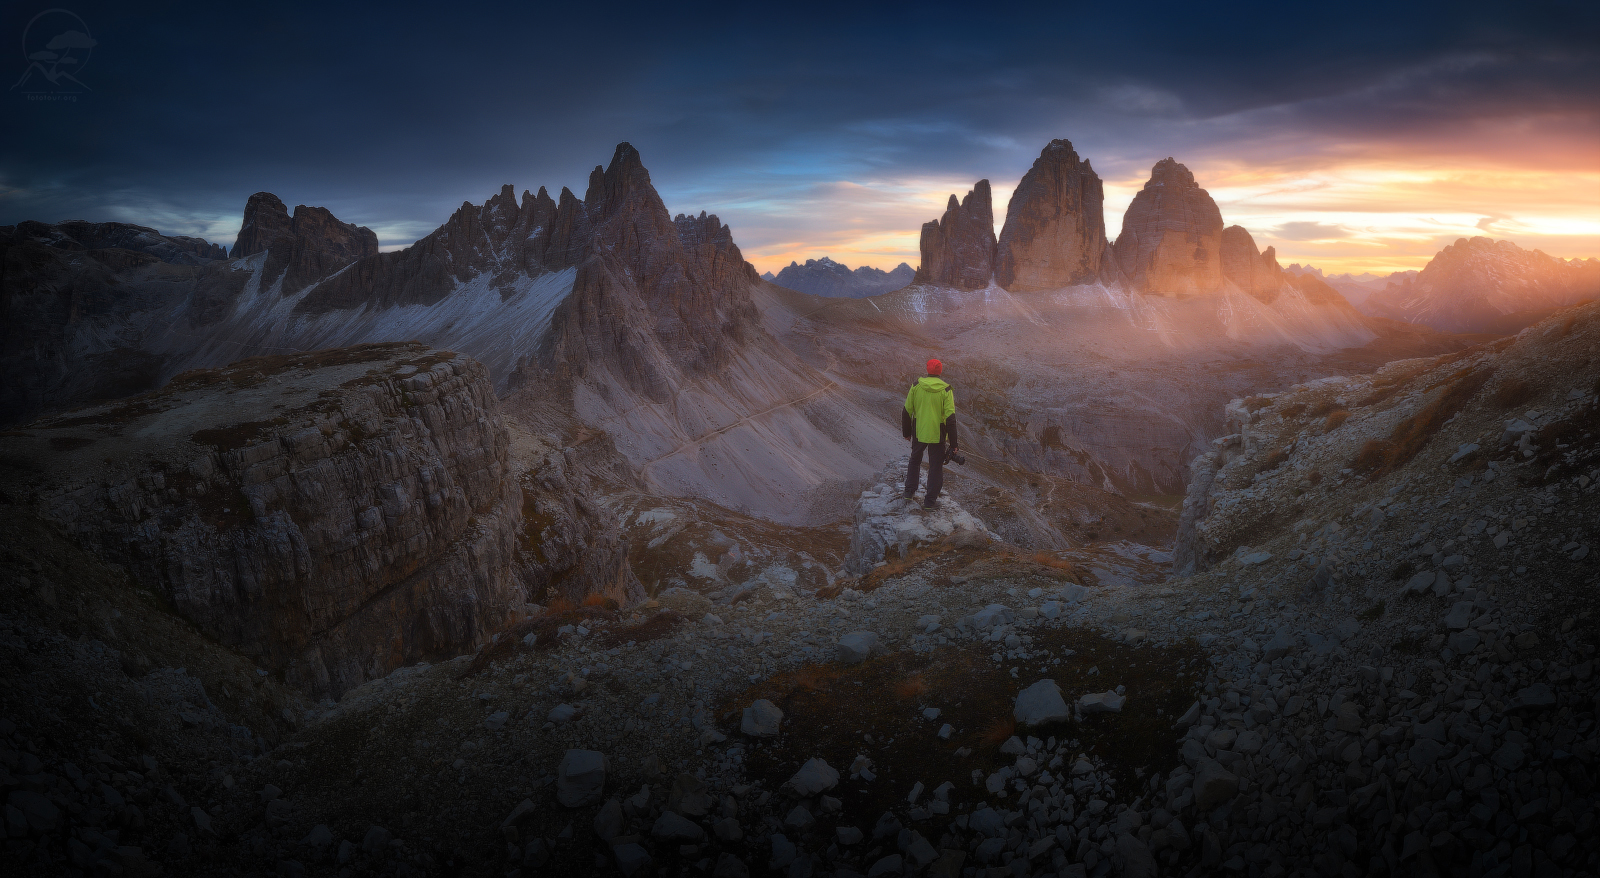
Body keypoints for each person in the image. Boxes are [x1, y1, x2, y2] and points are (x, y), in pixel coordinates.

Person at [902, 358, 958, 508]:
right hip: (937, 433)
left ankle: (909, 492)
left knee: (915, 460)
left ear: (927, 369)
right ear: (940, 371)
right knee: (935, 466)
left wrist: (907, 433)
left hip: (919, 431)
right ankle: (929, 502)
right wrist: (954, 444)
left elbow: (907, 411)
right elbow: (950, 419)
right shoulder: (946, 390)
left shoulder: (916, 386)